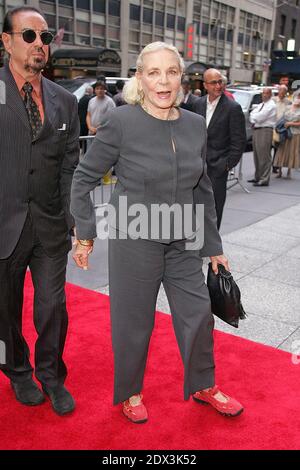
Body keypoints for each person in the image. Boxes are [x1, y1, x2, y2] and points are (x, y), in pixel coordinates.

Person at [70, 42, 243, 424]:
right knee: (134, 321)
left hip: (183, 239)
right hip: (135, 239)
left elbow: (202, 189)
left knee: (198, 314)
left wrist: (213, 246)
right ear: (140, 78)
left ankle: (203, 383)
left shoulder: (195, 124)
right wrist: (85, 234)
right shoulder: (121, 122)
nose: (163, 81)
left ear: (182, 77)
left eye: (171, 72)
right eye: (154, 72)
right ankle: (130, 391)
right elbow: (83, 177)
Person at [0, 6, 80, 415]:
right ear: (6, 41)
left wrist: (72, 218)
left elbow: (70, 164)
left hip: (50, 226)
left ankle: (51, 375)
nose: (39, 45)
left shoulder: (65, 100)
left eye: (45, 38)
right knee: (4, 311)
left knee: (53, 307)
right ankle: (16, 370)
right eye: (29, 36)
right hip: (3, 226)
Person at [194, 68, 246, 229]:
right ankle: (195, 242)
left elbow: (239, 141)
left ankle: (212, 247)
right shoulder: (198, 104)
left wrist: (227, 165)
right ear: (205, 85)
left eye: (220, 81)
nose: (218, 86)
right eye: (214, 82)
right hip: (196, 167)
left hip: (218, 168)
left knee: (214, 208)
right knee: (195, 207)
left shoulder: (232, 108)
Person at [249, 88, 277, 186]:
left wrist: (254, 117)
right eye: (263, 93)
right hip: (257, 130)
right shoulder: (261, 105)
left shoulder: (271, 105)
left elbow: (259, 118)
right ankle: (258, 176)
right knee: (257, 155)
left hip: (265, 130)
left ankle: (264, 179)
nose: (264, 95)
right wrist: (254, 117)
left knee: (264, 156)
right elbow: (251, 115)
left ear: (270, 94)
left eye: (266, 93)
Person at [274, 91, 300, 178]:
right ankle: (280, 171)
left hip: (295, 133)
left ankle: (289, 171)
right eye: (297, 97)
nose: (298, 99)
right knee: (282, 150)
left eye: (299, 98)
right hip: (284, 132)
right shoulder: (288, 107)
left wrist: (291, 123)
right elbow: (283, 118)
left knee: (291, 152)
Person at [272, 84, 291, 173]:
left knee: (277, 147)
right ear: (278, 91)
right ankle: (267, 165)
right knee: (269, 147)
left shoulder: (288, 102)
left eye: (284, 92)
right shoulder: (273, 100)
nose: (281, 94)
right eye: (280, 92)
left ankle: (275, 165)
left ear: (286, 93)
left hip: (280, 128)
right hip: (272, 125)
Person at [78, 85, 94, 153]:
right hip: (87, 121)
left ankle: (82, 149)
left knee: (82, 135)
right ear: (91, 91)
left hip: (80, 120)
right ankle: (85, 151)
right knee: (86, 137)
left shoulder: (81, 99)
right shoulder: (90, 99)